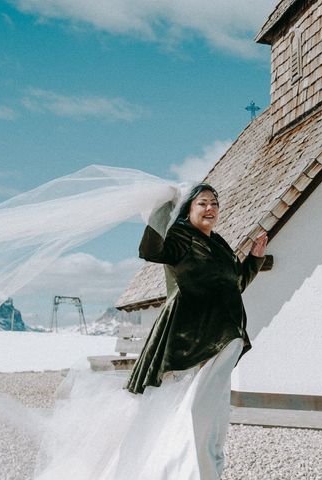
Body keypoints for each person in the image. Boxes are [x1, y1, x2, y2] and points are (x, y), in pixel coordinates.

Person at [124, 183, 267, 479]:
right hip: (189, 340)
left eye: (214, 203)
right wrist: (164, 206)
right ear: (188, 209)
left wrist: (254, 259)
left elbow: (235, 284)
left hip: (225, 336)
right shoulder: (180, 237)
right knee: (193, 413)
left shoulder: (220, 244)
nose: (210, 208)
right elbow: (150, 250)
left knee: (214, 418)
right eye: (202, 203)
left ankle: (209, 472)